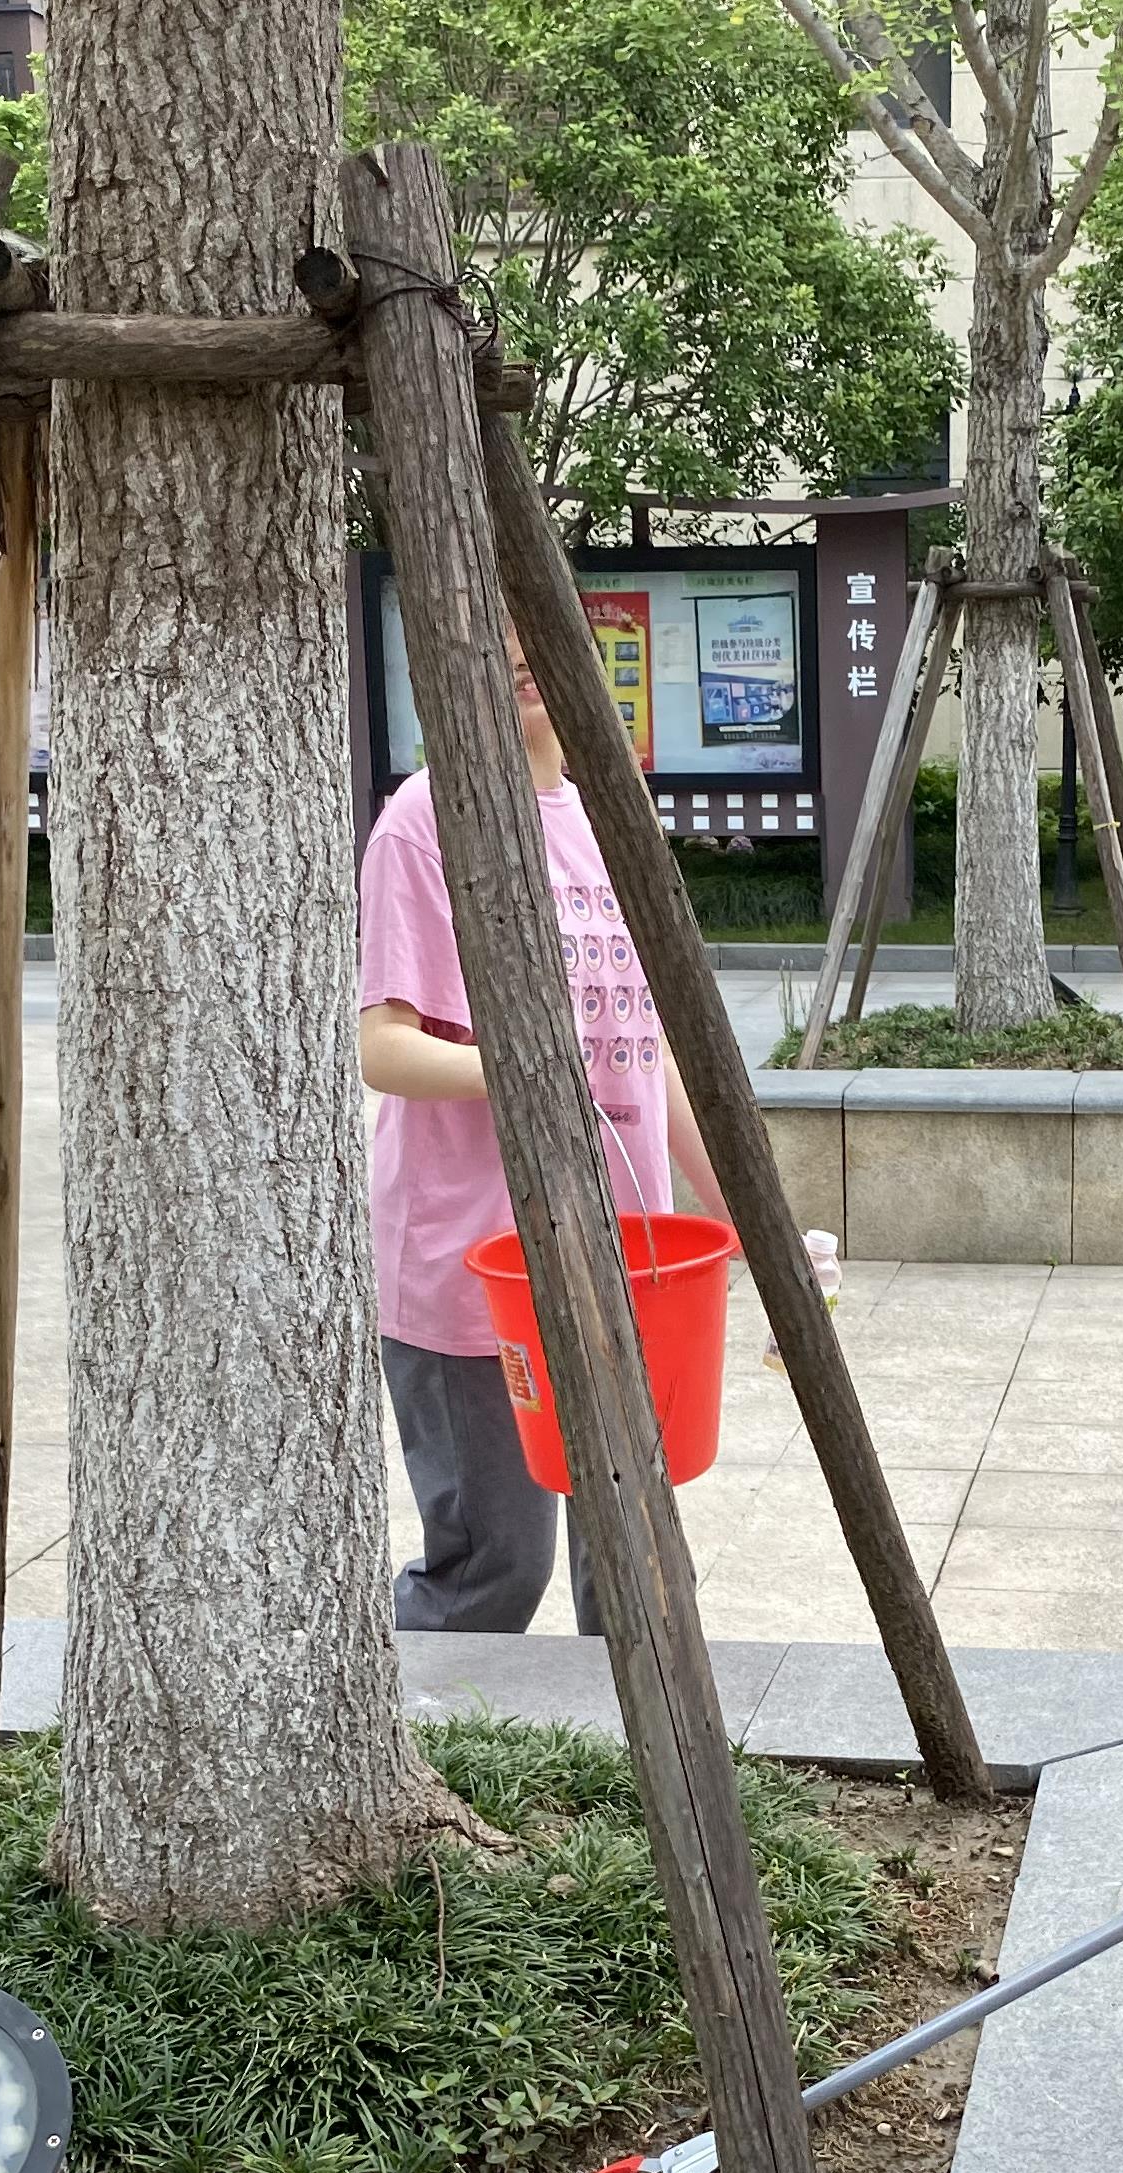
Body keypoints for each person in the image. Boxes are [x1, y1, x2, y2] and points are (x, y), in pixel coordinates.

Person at [359, 621, 720, 1632]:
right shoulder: (426, 819)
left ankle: (631, 1735)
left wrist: (750, 1215)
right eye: (494, 624)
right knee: (494, 1571)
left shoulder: (612, 819)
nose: (520, 648)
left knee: (636, 1563)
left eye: (537, 622)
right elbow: (382, 1048)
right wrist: (524, 1070)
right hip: (475, 1264)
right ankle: (388, 1710)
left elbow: (647, 1050)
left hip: (624, 1257)